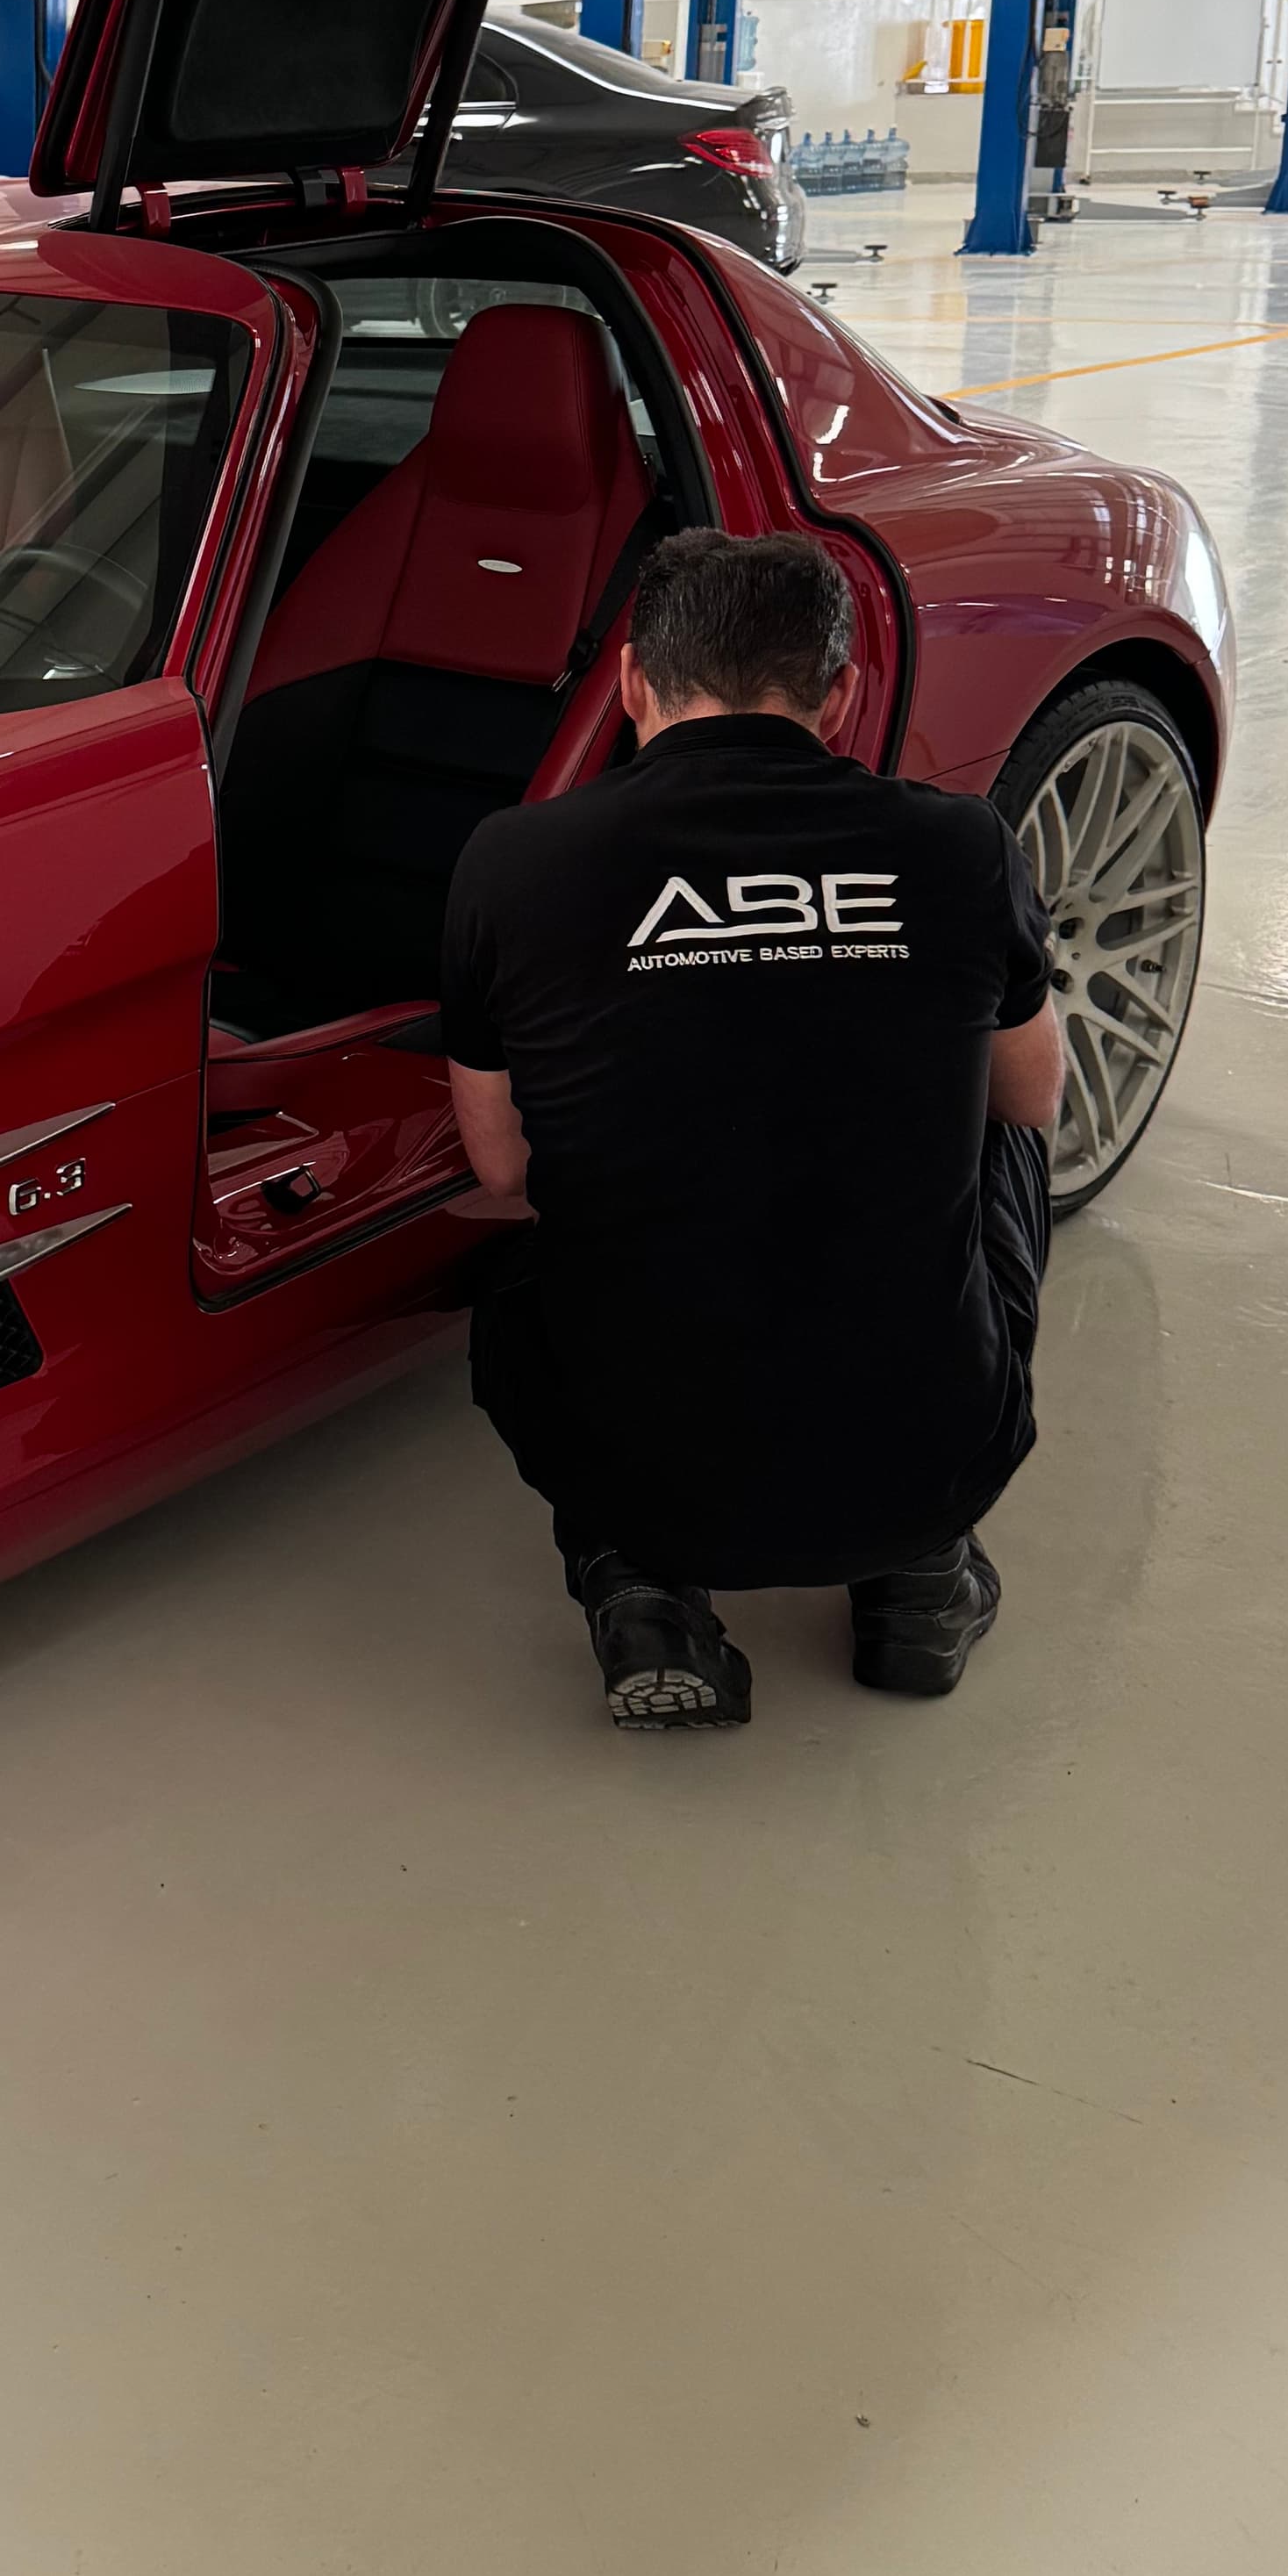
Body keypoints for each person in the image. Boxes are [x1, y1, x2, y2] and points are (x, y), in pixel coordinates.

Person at [438, 526, 1063, 1733]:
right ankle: (921, 1573)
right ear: (840, 695)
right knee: (1001, 1140)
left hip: (638, 1466)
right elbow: (1034, 1103)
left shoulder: (514, 862)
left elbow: (504, 1165)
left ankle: (638, 1584)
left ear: (630, 682)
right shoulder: (959, 846)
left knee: (529, 1237)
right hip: (930, 1450)